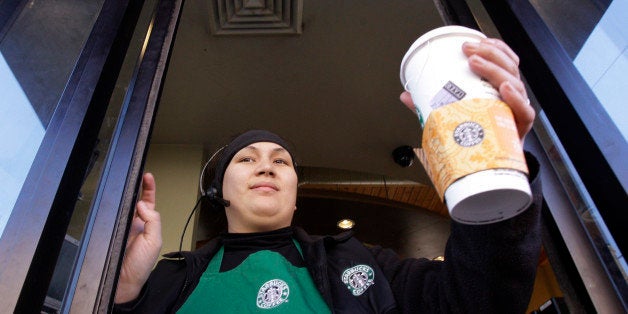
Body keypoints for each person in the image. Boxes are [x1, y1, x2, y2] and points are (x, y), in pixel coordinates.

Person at [113, 38, 541, 313]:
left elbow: (478, 303)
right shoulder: (168, 282)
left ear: (295, 194)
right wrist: (124, 291)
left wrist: (493, 170)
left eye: (281, 162)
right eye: (246, 160)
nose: (266, 165)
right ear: (218, 191)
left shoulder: (362, 264)